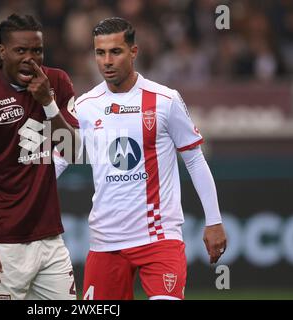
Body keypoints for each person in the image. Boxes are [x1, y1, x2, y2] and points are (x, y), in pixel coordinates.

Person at [75, 17, 227, 300]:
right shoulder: (84, 106)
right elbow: (59, 159)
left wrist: (214, 220)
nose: (107, 61)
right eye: (100, 53)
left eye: (115, 52)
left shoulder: (164, 100)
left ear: (133, 52)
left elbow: (194, 159)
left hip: (159, 238)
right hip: (106, 241)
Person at [0, 14, 78, 300]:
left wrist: (48, 103)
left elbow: (73, 151)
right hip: (1, 244)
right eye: (20, 51)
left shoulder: (57, 83)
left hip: (49, 239)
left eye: (36, 50)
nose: (30, 58)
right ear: (2, 52)